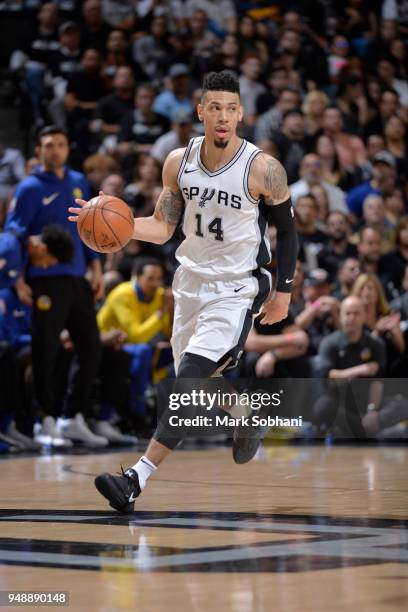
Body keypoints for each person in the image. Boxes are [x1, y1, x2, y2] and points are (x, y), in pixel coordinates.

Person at [69, 70, 298, 512]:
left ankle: (136, 478)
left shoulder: (263, 169)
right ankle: (244, 415)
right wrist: (110, 224)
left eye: (231, 108)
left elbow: (288, 233)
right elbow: (161, 226)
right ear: (200, 112)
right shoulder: (178, 161)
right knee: (202, 379)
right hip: (189, 283)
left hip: (236, 287)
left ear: (242, 114)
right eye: (215, 107)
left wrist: (283, 292)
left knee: (186, 383)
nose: (223, 116)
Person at [5, 126, 105, 448]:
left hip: (77, 275)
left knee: (90, 345)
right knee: (45, 348)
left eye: (61, 144)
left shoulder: (78, 182)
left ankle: (72, 417)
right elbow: (14, 233)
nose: (56, 150)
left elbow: (89, 226)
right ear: (39, 150)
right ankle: (44, 418)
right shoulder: (30, 187)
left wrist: (96, 265)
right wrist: (17, 277)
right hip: (44, 278)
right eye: (49, 145)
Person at [313, 296, 386, 433]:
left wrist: (372, 410)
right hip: (340, 404)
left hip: (366, 403)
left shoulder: (376, 344)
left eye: (356, 313)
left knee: (400, 406)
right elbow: (329, 377)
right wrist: (360, 370)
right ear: (340, 316)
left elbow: (378, 382)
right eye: (347, 313)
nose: (351, 318)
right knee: (323, 407)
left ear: (364, 316)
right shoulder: (329, 343)